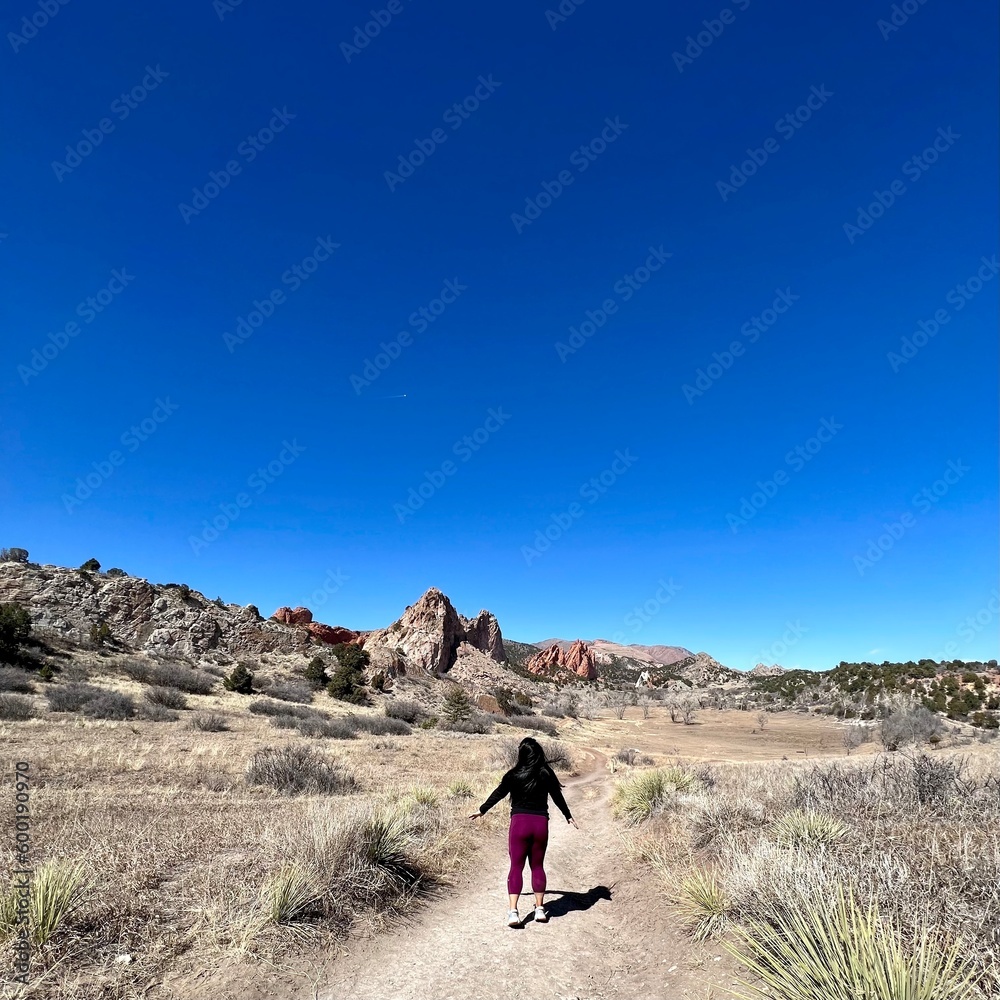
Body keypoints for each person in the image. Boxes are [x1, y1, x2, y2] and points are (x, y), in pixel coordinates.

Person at [470, 736, 578, 927]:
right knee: (537, 867)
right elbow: (557, 797)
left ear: (521, 754)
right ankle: (539, 910)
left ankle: (513, 913)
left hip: (519, 824)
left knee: (516, 868)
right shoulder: (546, 773)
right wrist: (568, 816)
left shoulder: (513, 774)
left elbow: (499, 793)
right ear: (538, 754)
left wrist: (482, 809)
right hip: (540, 824)